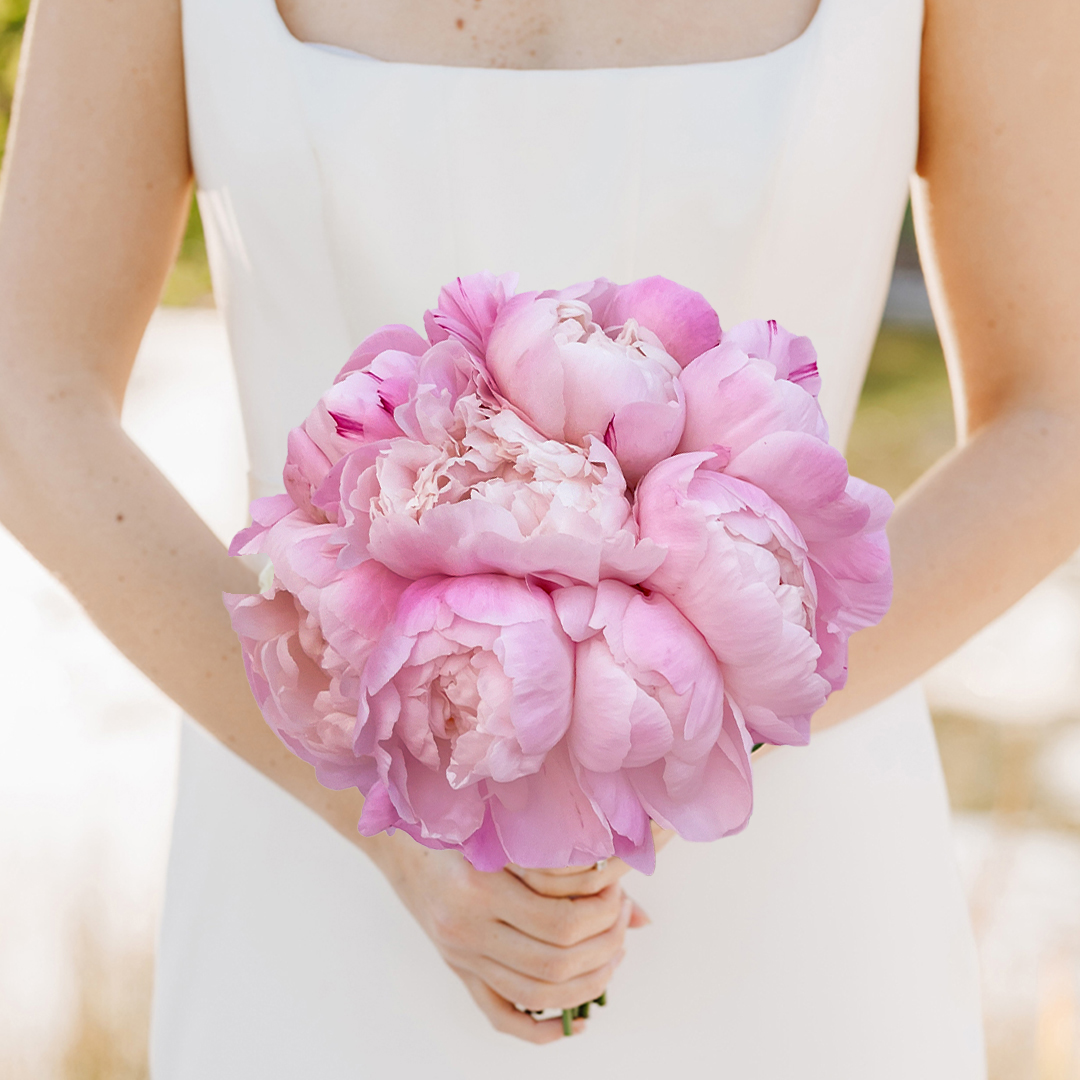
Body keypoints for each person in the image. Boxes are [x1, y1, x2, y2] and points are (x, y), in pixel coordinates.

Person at [1, 0, 1077, 1075]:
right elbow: (27, 396)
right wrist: (370, 813)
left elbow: (1055, 413)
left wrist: (679, 728)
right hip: (316, 866)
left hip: (793, 876)